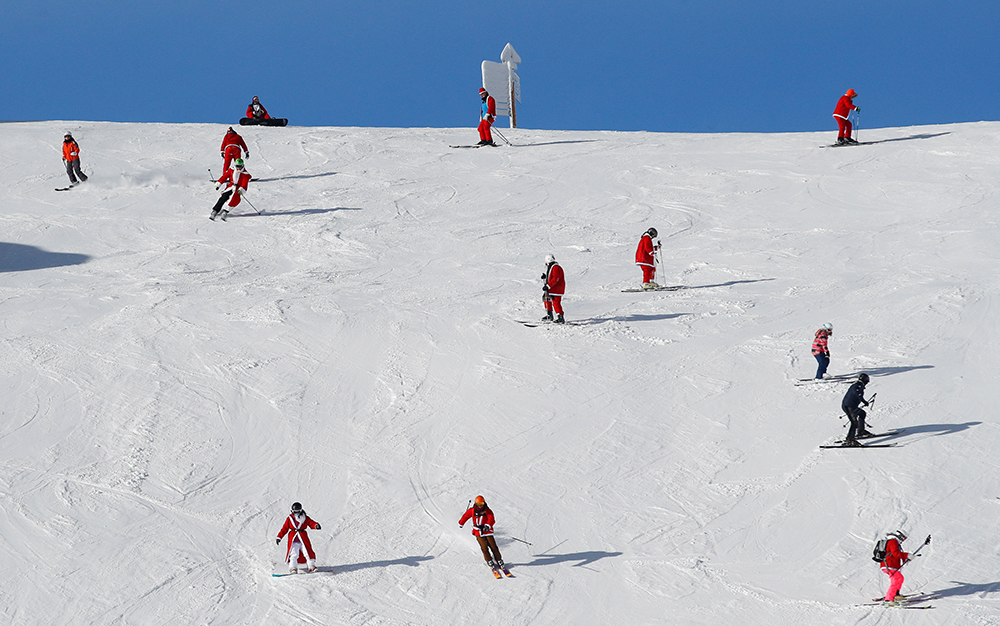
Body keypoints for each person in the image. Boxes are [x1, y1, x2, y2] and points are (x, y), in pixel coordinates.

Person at [459, 495, 506, 572]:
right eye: (479, 504)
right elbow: (465, 516)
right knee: (484, 547)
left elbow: (491, 518)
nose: (480, 506)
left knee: (493, 546)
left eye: (482, 504)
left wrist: (488, 525)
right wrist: (461, 523)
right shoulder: (472, 510)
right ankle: (489, 560)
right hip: (478, 531)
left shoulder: (487, 510)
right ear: (476, 504)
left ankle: (499, 559)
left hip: (487, 531)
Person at [276, 502, 321, 574]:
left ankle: (311, 566)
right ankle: (293, 567)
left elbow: (311, 523)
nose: (297, 513)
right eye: (295, 512)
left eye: (298, 511)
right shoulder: (290, 519)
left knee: (308, 552)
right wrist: (279, 537)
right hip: (294, 539)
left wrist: (316, 525)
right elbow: (284, 528)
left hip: (303, 538)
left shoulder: (305, 517)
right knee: (294, 553)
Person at [841, 373, 873, 445]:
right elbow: (857, 393)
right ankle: (850, 439)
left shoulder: (857, 384)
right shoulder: (858, 385)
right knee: (854, 422)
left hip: (850, 406)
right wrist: (864, 401)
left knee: (862, 413)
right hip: (849, 406)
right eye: (867, 382)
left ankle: (861, 431)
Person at [879, 530, 911, 603]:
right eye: (903, 538)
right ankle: (889, 599)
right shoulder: (893, 541)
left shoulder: (891, 541)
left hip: (888, 564)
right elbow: (895, 553)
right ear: (900, 536)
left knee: (898, 578)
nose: (903, 540)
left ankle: (895, 594)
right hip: (890, 564)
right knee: (897, 580)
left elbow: (896, 553)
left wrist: (905, 558)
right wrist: (907, 555)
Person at [541, 254, 566, 324]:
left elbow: (556, 278)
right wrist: (545, 277)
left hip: (556, 289)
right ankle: (549, 315)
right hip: (552, 288)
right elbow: (552, 276)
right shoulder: (552, 267)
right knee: (546, 298)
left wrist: (548, 286)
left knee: (556, 302)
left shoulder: (556, 267)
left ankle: (560, 317)